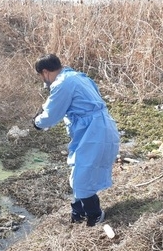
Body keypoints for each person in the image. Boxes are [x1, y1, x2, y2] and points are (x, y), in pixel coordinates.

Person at [32, 54, 120, 227]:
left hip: (94, 132)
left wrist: (37, 122)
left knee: (82, 174)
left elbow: (51, 115)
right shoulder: (76, 76)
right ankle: (78, 211)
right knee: (80, 171)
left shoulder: (62, 83)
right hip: (100, 126)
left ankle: (95, 214)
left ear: (45, 72)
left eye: (41, 76)